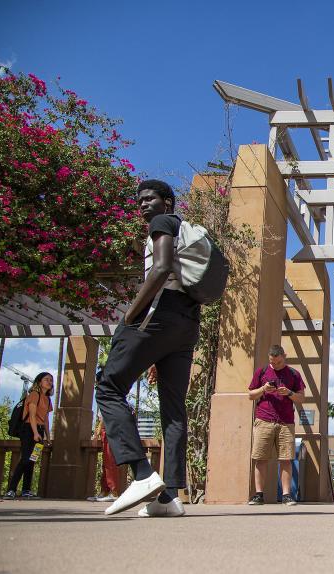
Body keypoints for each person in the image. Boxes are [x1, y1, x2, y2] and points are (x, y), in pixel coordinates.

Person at [95, 179, 203, 518]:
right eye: (140, 201)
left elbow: (161, 267)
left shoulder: (164, 222)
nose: (143, 205)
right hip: (187, 322)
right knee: (173, 408)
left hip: (160, 312)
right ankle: (169, 496)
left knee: (108, 386)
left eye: (150, 199)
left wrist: (129, 315)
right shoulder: (189, 229)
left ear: (167, 201)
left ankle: (141, 473)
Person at [247, 345, 305, 506]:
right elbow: (250, 395)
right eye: (273, 361)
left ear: (284, 357)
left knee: (286, 459)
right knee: (260, 458)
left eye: (279, 362)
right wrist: (263, 389)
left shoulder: (294, 374)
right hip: (264, 420)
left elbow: (301, 398)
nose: (276, 365)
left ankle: (287, 495)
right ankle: (259, 494)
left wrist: (290, 393)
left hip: (286, 423)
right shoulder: (262, 371)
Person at [4, 372, 53, 499]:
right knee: (25, 459)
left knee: (33, 460)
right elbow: (31, 415)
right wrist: (35, 433)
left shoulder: (47, 399)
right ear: (39, 382)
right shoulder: (34, 395)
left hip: (40, 431)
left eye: (51, 380)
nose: (49, 382)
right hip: (28, 430)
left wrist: (47, 436)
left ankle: (26, 490)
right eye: (46, 379)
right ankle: (11, 490)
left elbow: (46, 419)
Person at [87, 413, 119, 502]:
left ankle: (113, 491)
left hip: (110, 432)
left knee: (110, 463)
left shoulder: (108, 400)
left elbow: (105, 417)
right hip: (106, 433)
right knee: (106, 464)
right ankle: (105, 491)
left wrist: (96, 434)